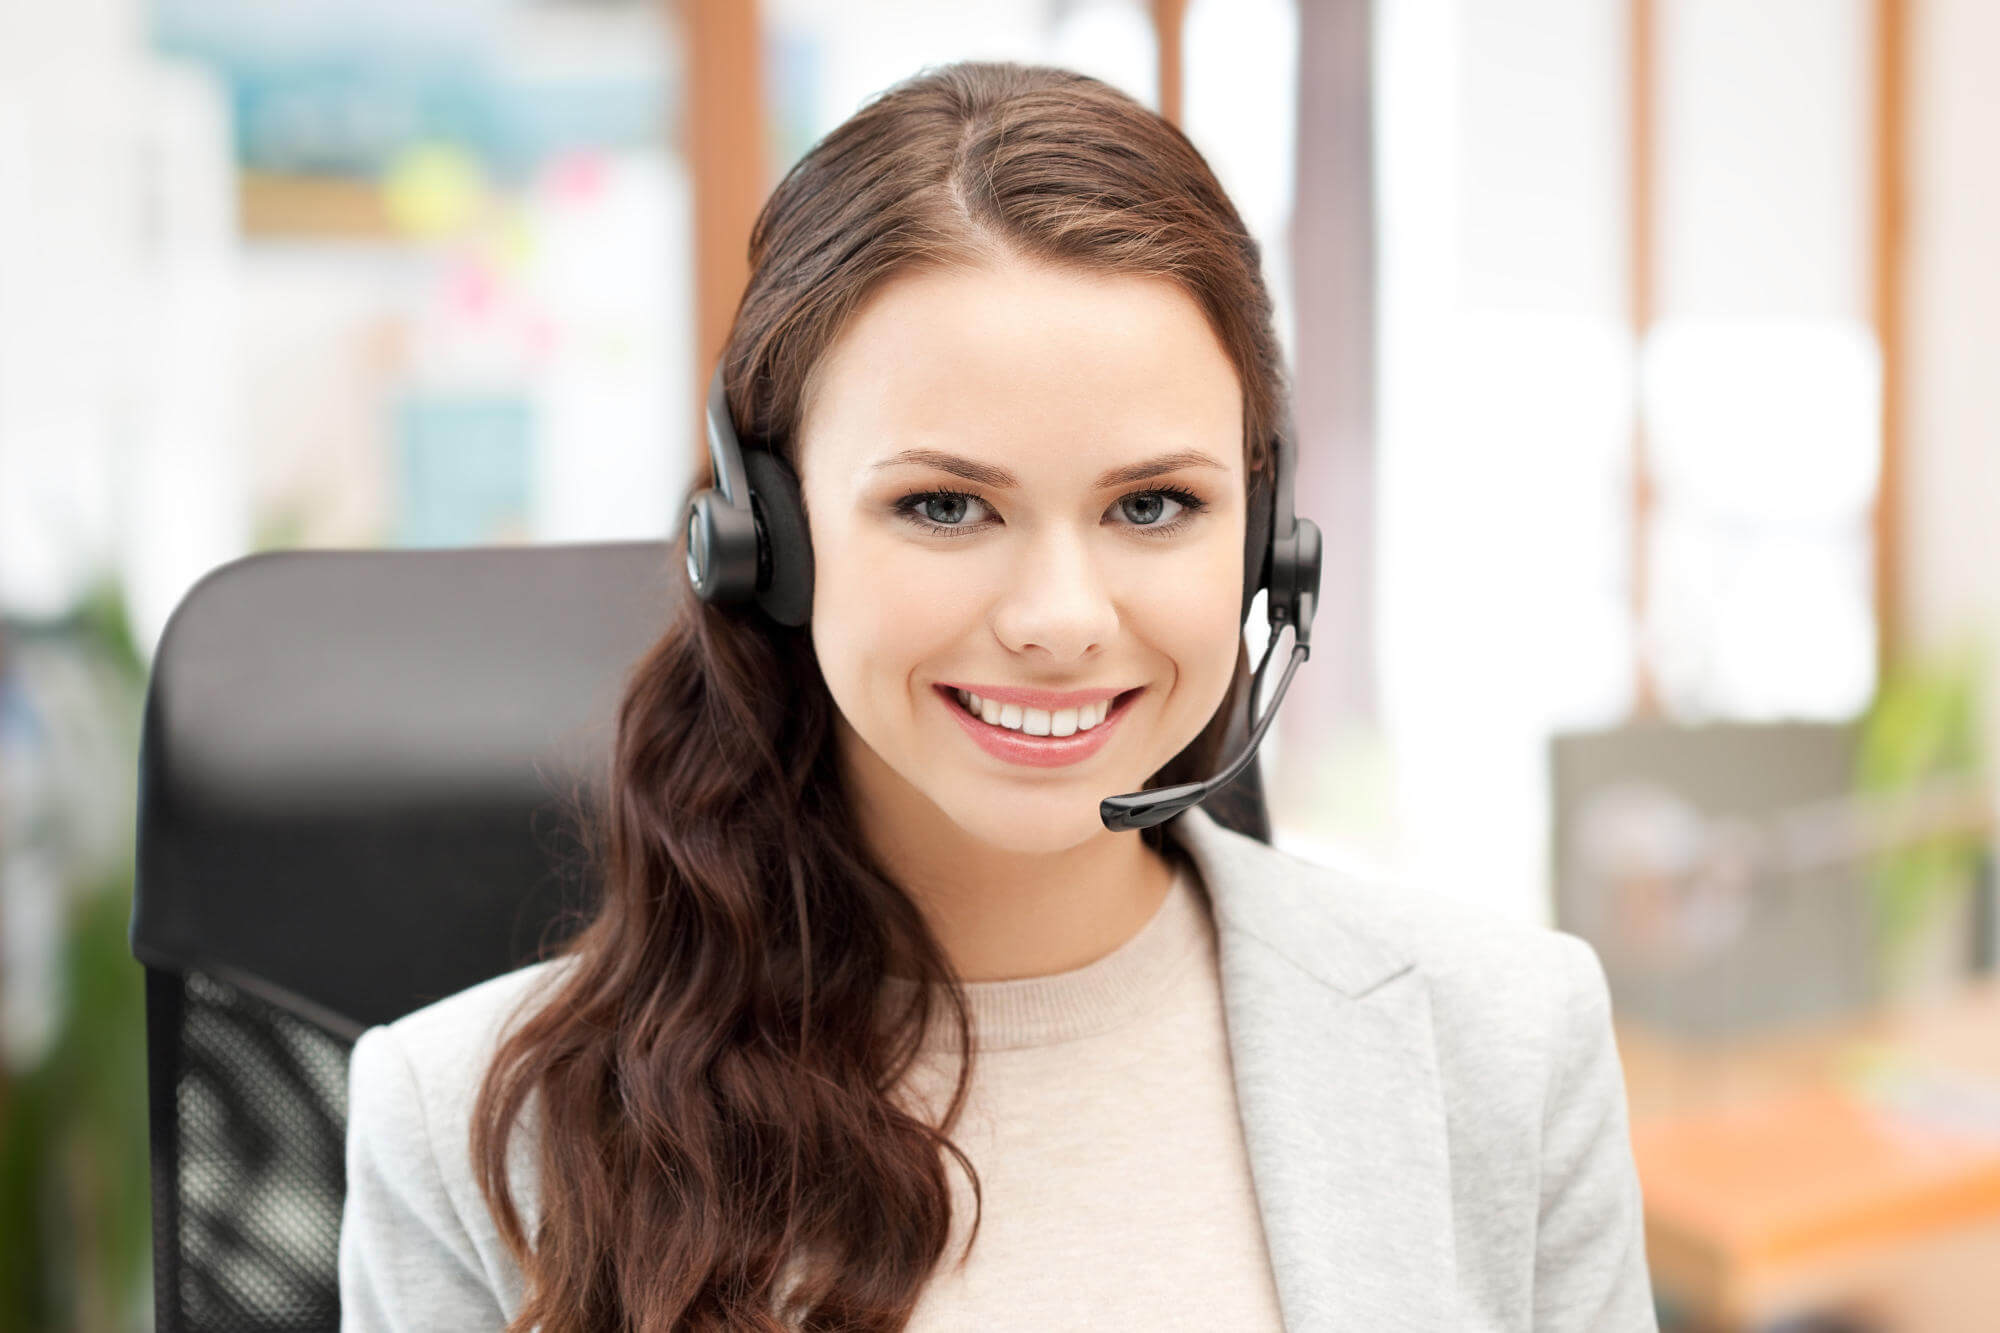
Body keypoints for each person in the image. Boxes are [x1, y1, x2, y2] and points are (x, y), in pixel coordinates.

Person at [337, 60, 1657, 1332]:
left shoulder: (1504, 1047)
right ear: (766, 535)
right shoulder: (473, 1132)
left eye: (1154, 504)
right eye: (945, 505)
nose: (1061, 619)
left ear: (1265, 540)